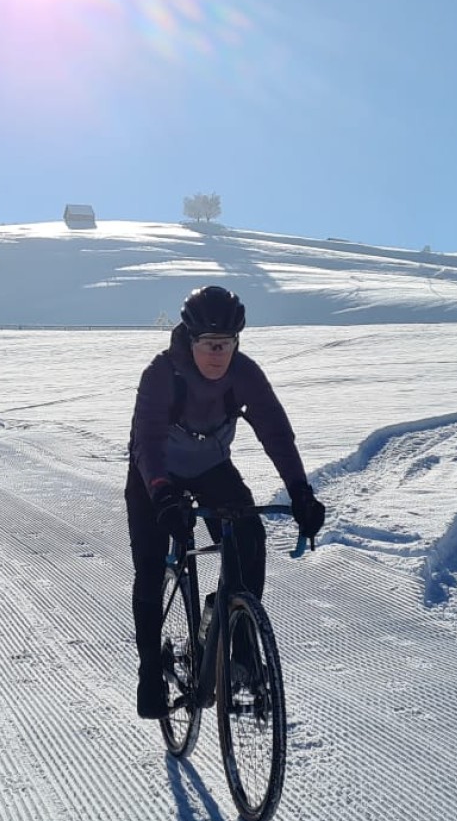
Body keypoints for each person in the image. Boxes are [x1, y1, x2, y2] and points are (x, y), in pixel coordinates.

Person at [125, 286, 326, 719]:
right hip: (153, 474)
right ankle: (148, 671)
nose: (218, 354)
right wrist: (162, 493)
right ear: (190, 341)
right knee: (149, 566)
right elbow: (148, 440)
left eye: (227, 344)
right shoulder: (162, 374)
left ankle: (237, 636)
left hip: (210, 466)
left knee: (249, 536)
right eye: (209, 345)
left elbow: (276, 432)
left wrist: (301, 494)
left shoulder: (244, 374)